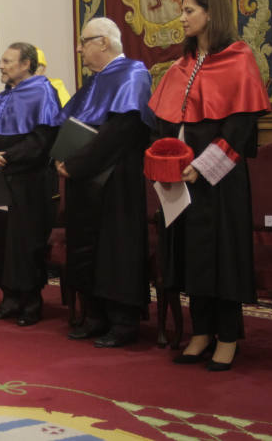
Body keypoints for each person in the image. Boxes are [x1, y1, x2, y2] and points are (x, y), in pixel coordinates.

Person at [148, 0, 270, 371]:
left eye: (188, 10)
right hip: (181, 180)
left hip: (219, 180)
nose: (182, 17)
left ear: (210, 14)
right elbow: (166, 121)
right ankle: (200, 331)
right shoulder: (180, 66)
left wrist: (202, 167)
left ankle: (228, 336)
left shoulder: (238, 58)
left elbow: (239, 127)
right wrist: (166, 160)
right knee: (191, 255)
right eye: (182, 11)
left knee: (221, 255)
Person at [54, 17, 153, 348]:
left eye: (84, 41)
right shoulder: (92, 83)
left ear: (104, 43)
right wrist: (62, 158)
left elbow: (121, 131)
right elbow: (70, 123)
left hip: (117, 178)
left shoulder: (133, 74)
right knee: (86, 247)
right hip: (84, 179)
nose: (79, 48)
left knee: (116, 248)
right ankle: (94, 316)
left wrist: (77, 164)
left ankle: (122, 322)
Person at [0, 43, 61, 326]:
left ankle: (31, 304)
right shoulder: (1, 98)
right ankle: (9, 300)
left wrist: (4, 159)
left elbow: (41, 142)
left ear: (26, 64)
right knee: (1, 241)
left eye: (7, 61)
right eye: (1, 60)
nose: (1, 65)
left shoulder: (43, 93)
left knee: (26, 244)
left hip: (29, 183)